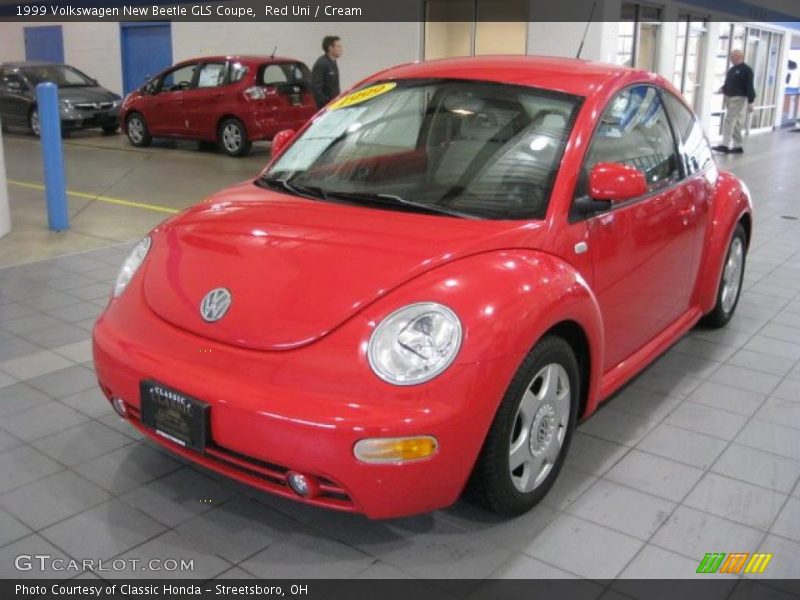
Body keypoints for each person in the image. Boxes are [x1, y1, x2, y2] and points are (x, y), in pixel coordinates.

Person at [712, 49, 756, 155]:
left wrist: (751, 101)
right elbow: (728, 83)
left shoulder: (747, 70)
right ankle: (738, 146)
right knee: (736, 123)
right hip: (729, 98)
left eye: (732, 56)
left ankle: (725, 145)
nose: (730, 58)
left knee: (729, 120)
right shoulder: (732, 70)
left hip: (738, 98)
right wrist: (723, 89)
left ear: (739, 57)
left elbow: (749, 86)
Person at [311, 36, 342, 109]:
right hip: (325, 108)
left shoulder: (333, 63)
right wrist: (328, 103)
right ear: (330, 48)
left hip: (335, 105)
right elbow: (316, 90)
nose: (341, 49)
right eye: (338, 47)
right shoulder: (321, 64)